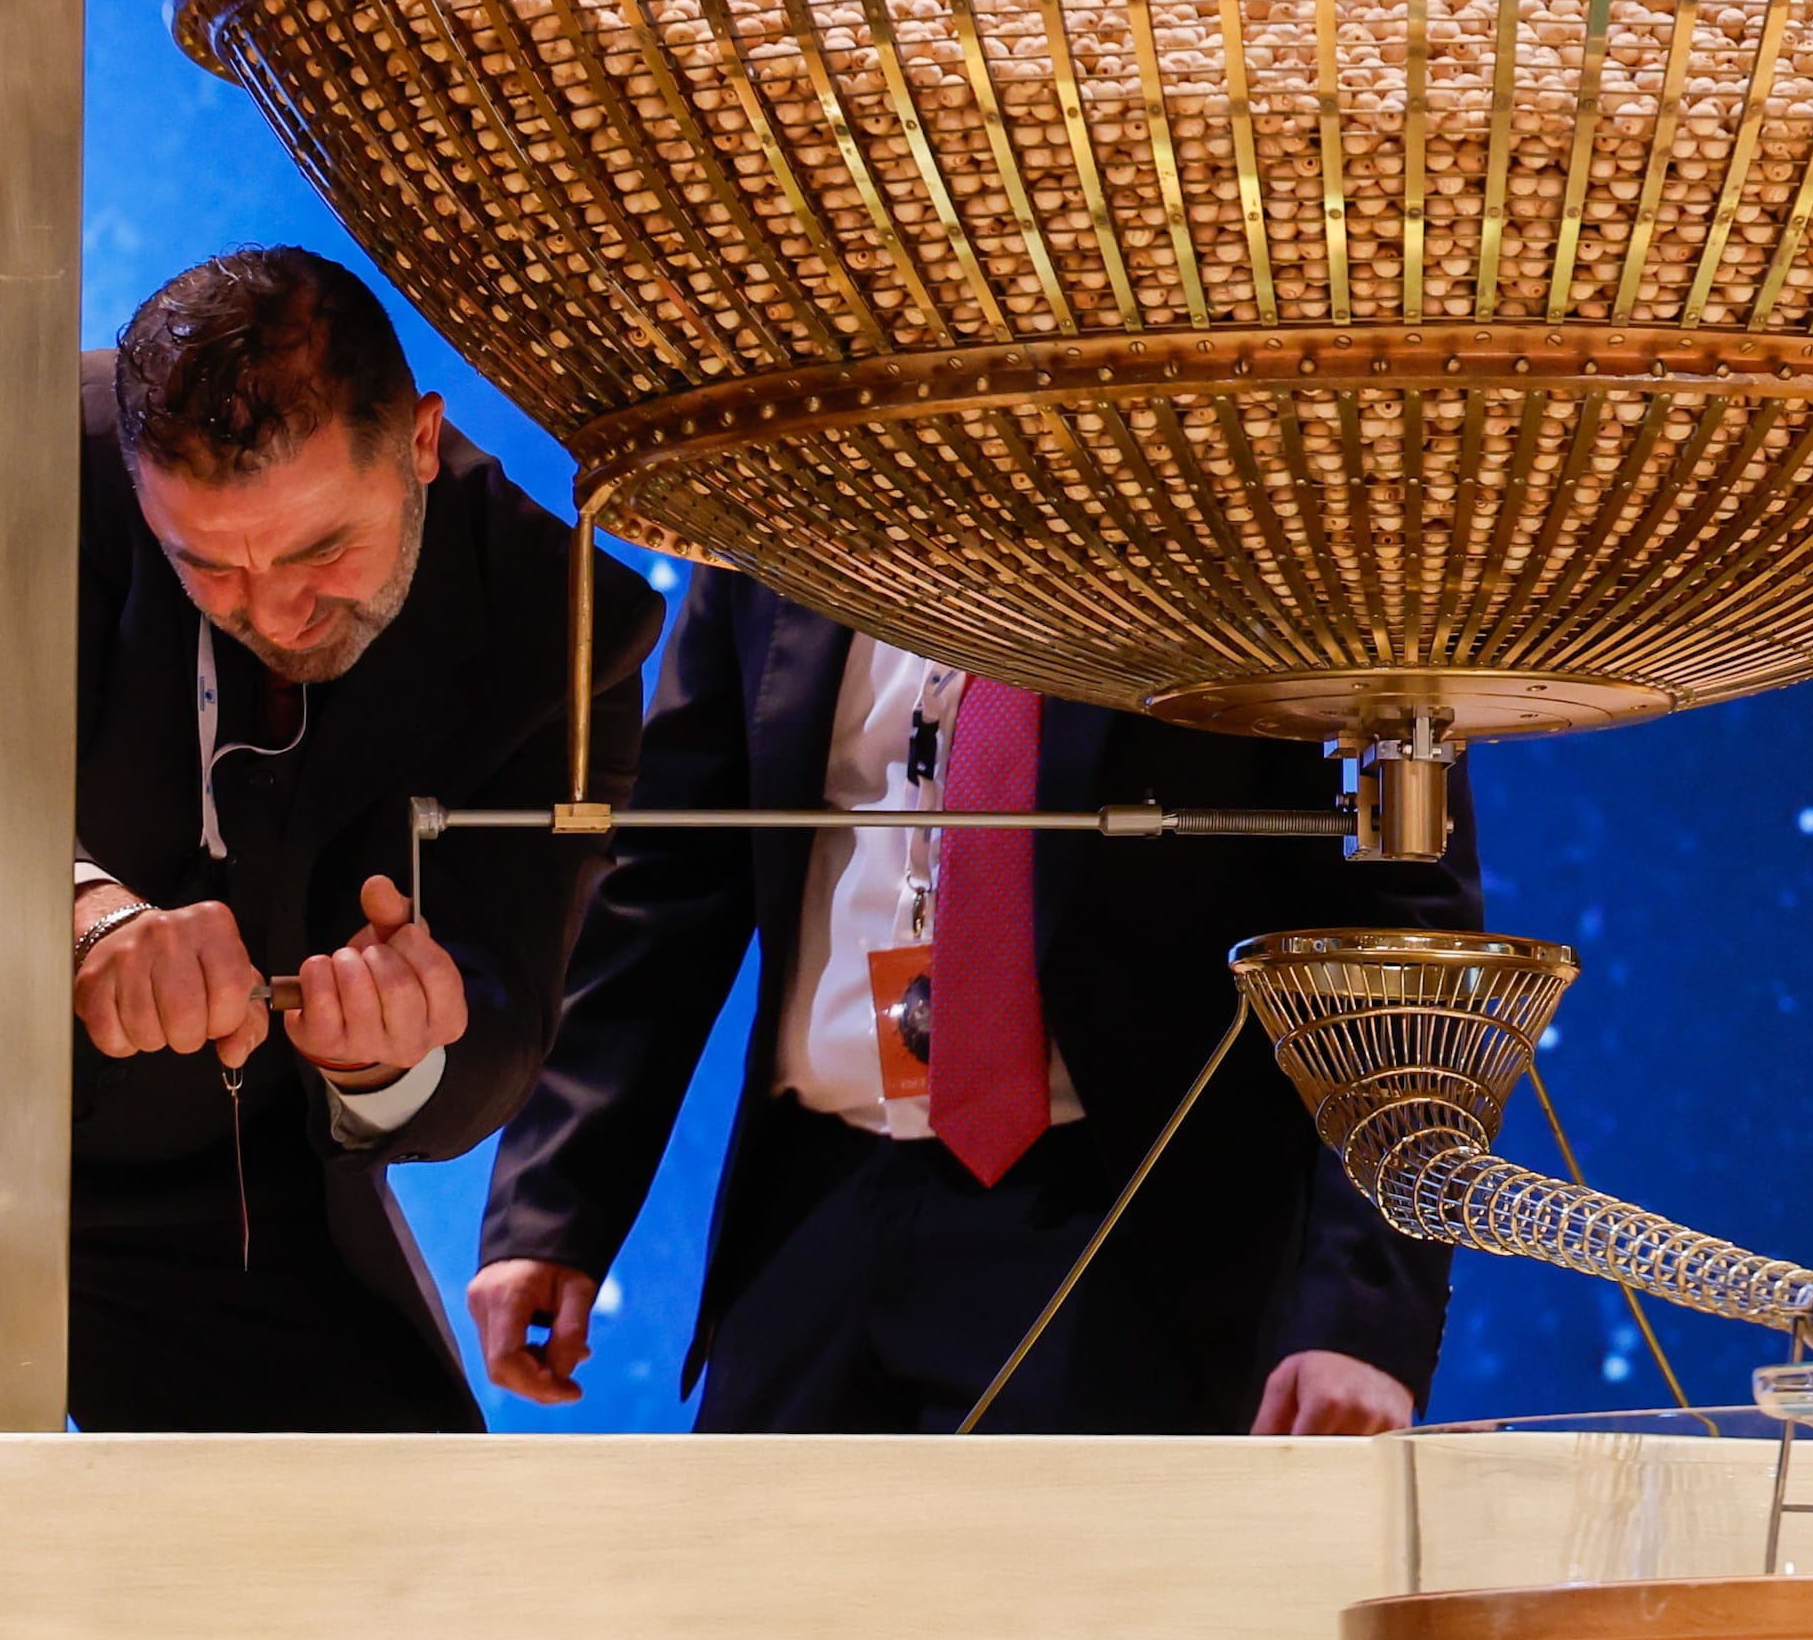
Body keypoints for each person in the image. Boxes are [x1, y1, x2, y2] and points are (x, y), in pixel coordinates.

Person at [470, 574, 1475, 1435]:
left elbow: (1399, 929)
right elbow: (667, 876)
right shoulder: (778, 481)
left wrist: (1360, 1312)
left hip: (1128, 1230)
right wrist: (551, 1207)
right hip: (810, 1215)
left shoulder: (1247, 509)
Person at [67, 248, 659, 1433]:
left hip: (249, 1208)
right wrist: (83, 913)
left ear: (422, 444)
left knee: (404, 1573)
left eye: (320, 553)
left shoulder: (551, 621)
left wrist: (401, 1052)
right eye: (206, 567)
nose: (271, 614)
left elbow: (505, 1008)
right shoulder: (16, 463)